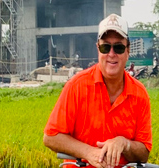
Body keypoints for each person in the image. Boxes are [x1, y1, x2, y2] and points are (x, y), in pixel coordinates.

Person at [43, 14, 152, 168]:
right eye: (105, 47)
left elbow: (144, 153)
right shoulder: (76, 86)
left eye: (119, 47)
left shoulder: (140, 94)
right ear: (98, 49)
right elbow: (50, 137)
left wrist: (124, 143)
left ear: (128, 51)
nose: (111, 54)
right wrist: (88, 152)